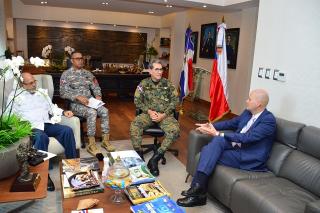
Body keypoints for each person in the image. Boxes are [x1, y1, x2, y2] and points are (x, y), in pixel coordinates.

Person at [177, 89, 276, 207]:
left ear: (258, 104)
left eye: (249, 99)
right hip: (236, 147)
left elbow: (247, 138)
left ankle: (198, 192)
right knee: (215, 144)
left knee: (207, 151)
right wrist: (210, 125)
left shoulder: (268, 120)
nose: (246, 101)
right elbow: (231, 123)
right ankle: (198, 190)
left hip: (248, 155)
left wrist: (218, 133)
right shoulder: (248, 113)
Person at [7, 72, 78, 191]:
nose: (34, 85)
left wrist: (63, 112)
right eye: (30, 83)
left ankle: (73, 167)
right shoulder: (15, 96)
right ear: (22, 84)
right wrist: (19, 126)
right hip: (30, 127)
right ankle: (45, 175)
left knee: (67, 131)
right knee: (41, 137)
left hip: (45, 123)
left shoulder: (42, 92)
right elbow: (9, 116)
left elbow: (52, 107)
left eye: (34, 81)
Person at [60, 52, 115, 160]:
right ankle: (91, 144)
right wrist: (77, 96)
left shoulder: (88, 74)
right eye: (77, 58)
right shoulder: (66, 74)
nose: (81, 60)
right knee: (92, 112)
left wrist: (98, 96)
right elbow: (62, 93)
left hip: (90, 102)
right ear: (72, 60)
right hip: (75, 105)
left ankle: (105, 141)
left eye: (82, 58)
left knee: (105, 111)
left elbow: (96, 86)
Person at [130, 59, 180, 177]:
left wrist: (164, 114)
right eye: (156, 69)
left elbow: (175, 101)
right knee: (134, 126)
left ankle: (155, 159)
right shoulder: (143, 84)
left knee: (174, 131)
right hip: (148, 114)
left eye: (161, 69)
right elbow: (136, 100)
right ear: (150, 71)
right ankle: (139, 154)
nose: (159, 72)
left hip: (165, 115)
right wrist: (149, 111)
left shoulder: (168, 84)